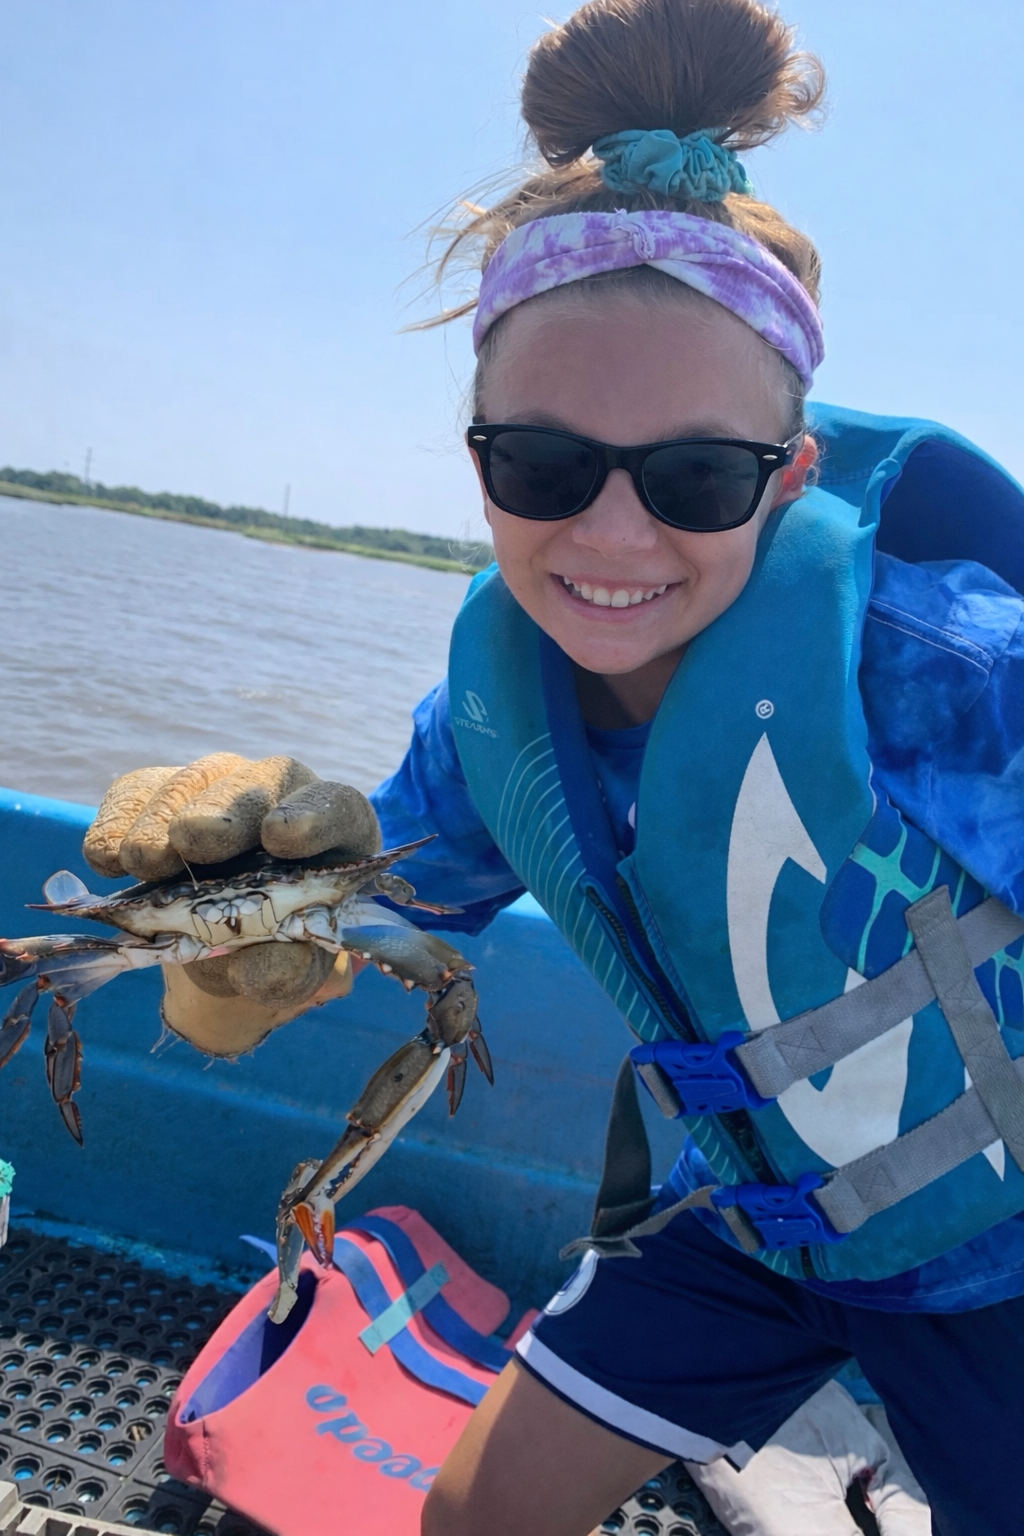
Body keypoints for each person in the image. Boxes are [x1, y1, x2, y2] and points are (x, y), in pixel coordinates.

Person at [85, 2, 1024, 1533]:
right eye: (543, 464)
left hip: (999, 1257)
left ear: (788, 474)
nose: (611, 533)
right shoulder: (490, 725)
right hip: (756, 1223)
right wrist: (239, 936)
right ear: (476, 460)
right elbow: (370, 914)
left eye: (696, 476)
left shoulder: (951, 675)